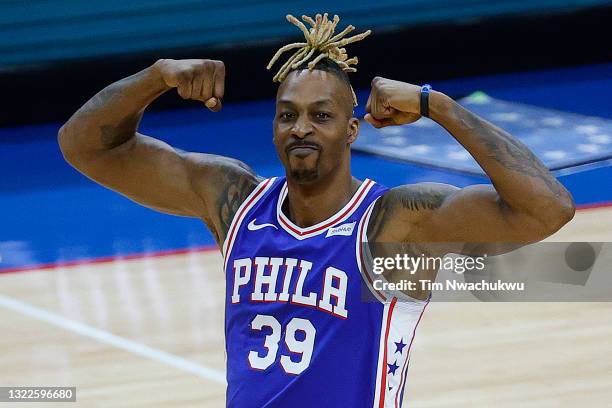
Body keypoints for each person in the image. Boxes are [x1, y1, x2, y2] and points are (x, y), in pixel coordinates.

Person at [58, 13, 575, 408]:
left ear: (351, 130)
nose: (300, 128)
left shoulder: (394, 225)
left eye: (321, 115)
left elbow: (546, 210)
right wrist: (155, 77)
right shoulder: (234, 201)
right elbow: (85, 147)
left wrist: (434, 105)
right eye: (288, 115)